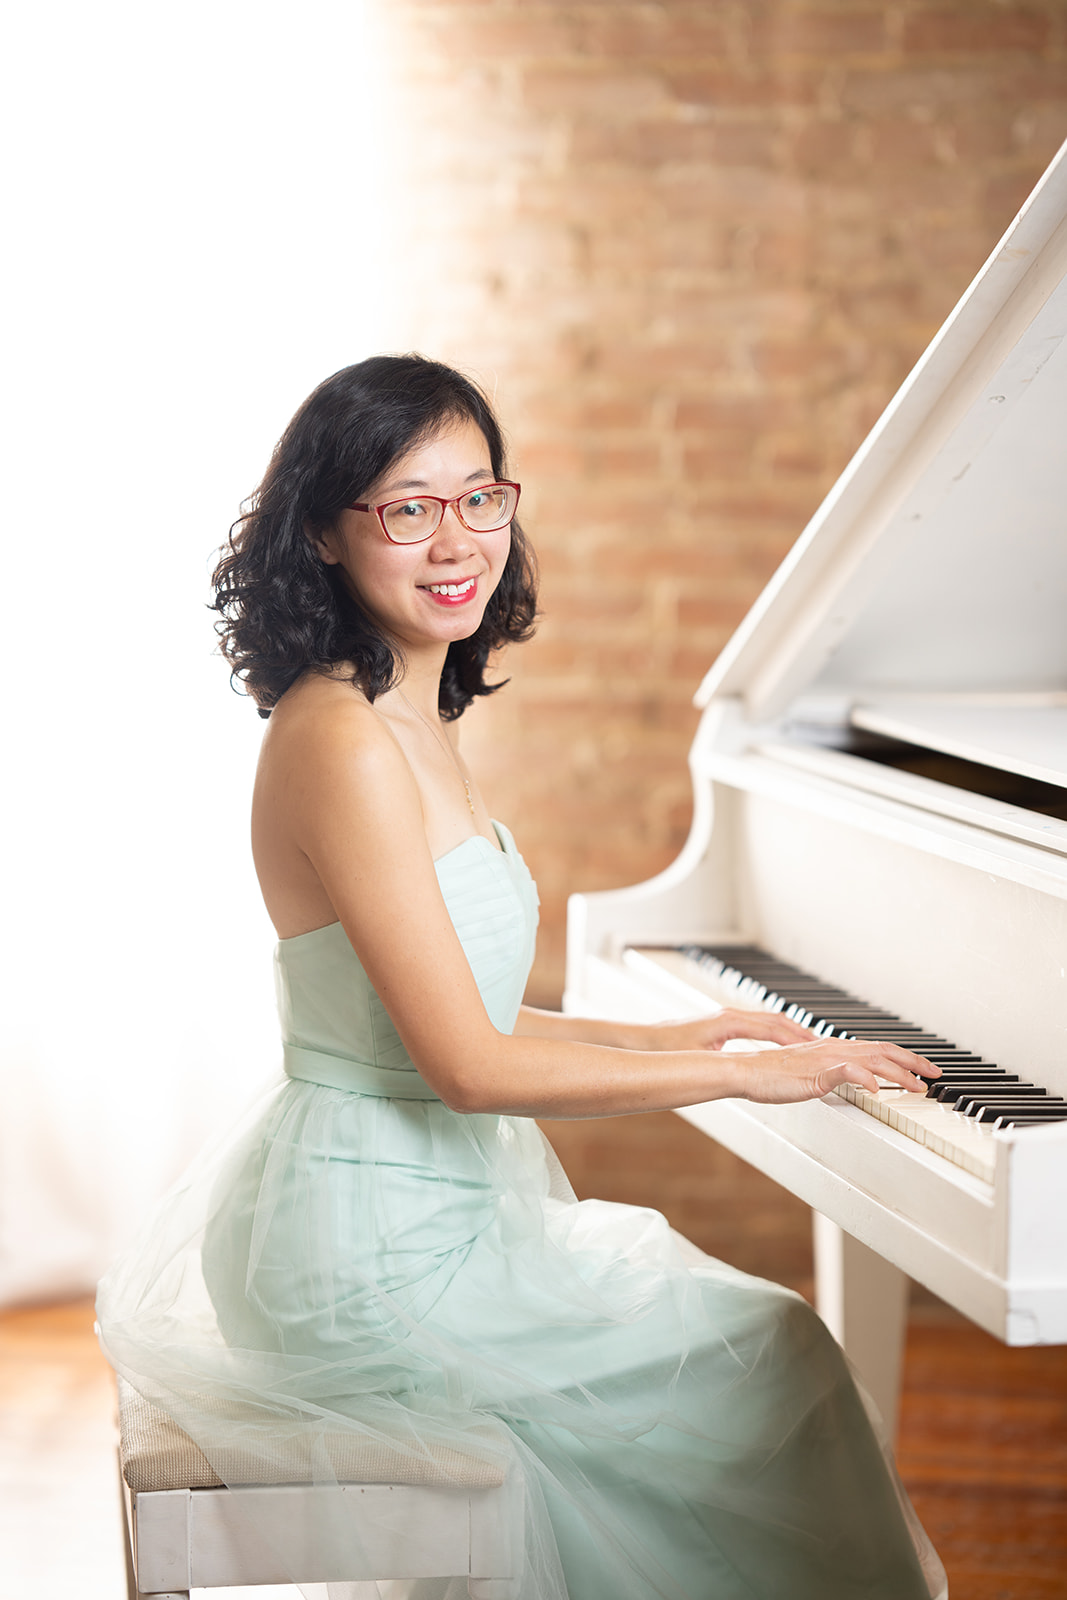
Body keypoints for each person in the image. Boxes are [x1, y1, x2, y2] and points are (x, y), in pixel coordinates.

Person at [97, 355, 946, 1599]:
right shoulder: (338, 737)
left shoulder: (411, 710)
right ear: (327, 536)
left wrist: (692, 1038)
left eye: (478, 496)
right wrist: (743, 1085)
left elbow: (459, 1006)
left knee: (770, 1354)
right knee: (773, 1359)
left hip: (422, 1212)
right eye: (406, 506)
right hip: (363, 1255)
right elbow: (468, 1064)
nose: (455, 540)